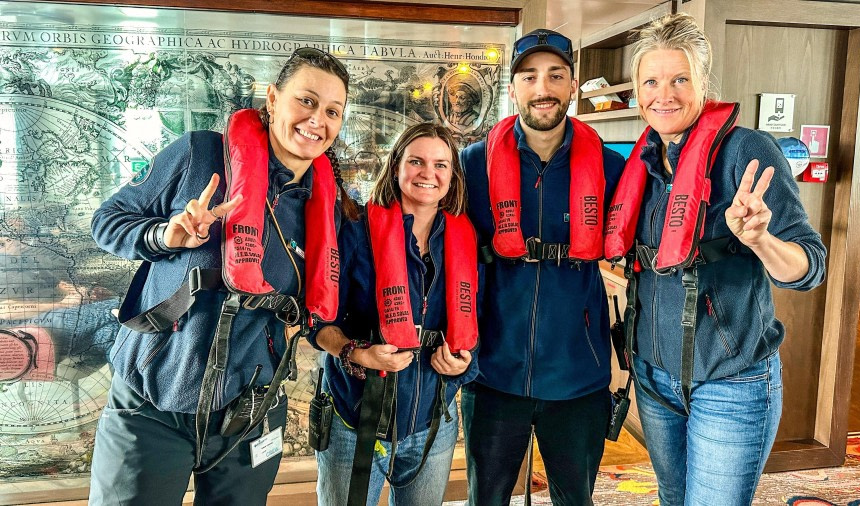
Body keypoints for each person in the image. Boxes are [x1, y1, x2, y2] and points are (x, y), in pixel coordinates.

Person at [88, 47, 355, 505]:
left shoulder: (331, 210)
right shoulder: (199, 154)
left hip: (249, 413)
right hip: (152, 403)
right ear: (272, 99)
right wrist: (164, 237)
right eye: (306, 101)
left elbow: (323, 310)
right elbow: (107, 221)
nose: (318, 120)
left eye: (333, 110)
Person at [603, 13, 826, 505]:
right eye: (652, 81)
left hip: (732, 383)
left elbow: (810, 267)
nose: (665, 94)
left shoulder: (748, 151)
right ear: (637, 91)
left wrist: (762, 239)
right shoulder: (641, 162)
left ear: (703, 82)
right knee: (673, 497)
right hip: (655, 378)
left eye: (680, 79)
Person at [460, 29, 626, 504]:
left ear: (573, 85)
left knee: (575, 498)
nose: (542, 88)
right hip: (492, 372)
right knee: (485, 499)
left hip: (579, 374)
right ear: (513, 88)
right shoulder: (471, 165)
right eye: (529, 76)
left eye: (555, 75)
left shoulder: (611, 168)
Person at [309, 123, 480, 506]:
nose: (428, 174)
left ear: (453, 177)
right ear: (396, 165)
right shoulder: (354, 230)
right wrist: (356, 352)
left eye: (441, 165)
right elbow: (318, 323)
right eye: (416, 161)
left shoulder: (464, 240)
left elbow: (478, 324)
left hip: (432, 424)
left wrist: (463, 365)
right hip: (354, 419)